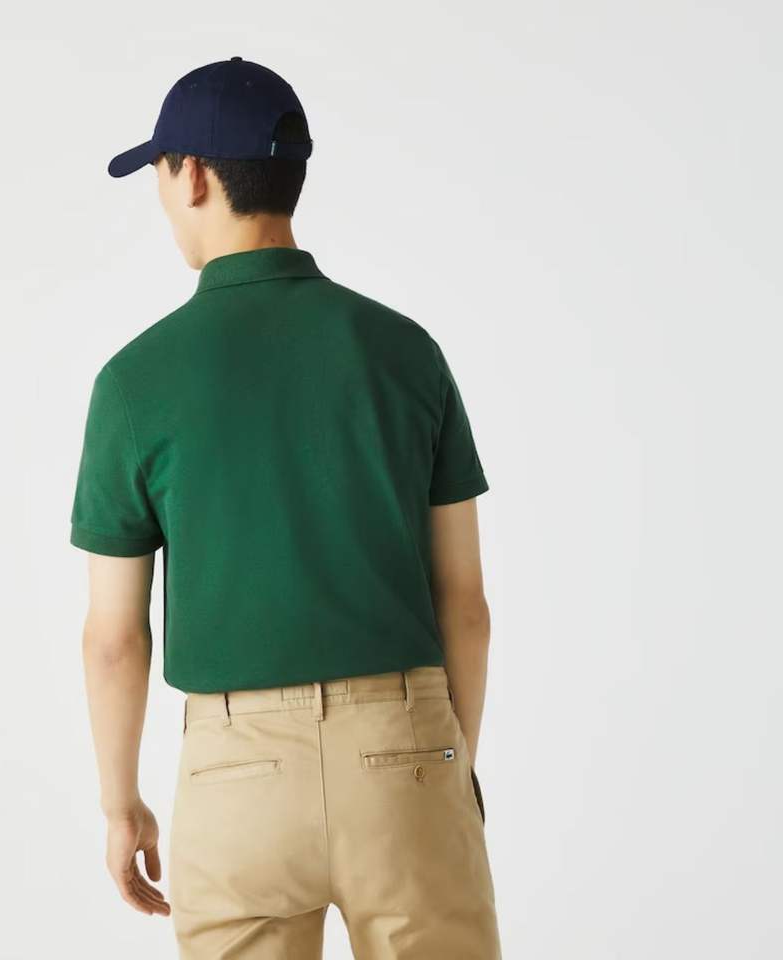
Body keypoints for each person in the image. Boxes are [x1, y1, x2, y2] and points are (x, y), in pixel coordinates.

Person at [70, 55, 502, 959]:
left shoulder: (135, 381)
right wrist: (445, 765)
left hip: (236, 774)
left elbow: (114, 636)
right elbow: (464, 601)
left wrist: (121, 805)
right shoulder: (406, 353)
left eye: (160, 172)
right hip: (406, 747)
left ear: (193, 175)